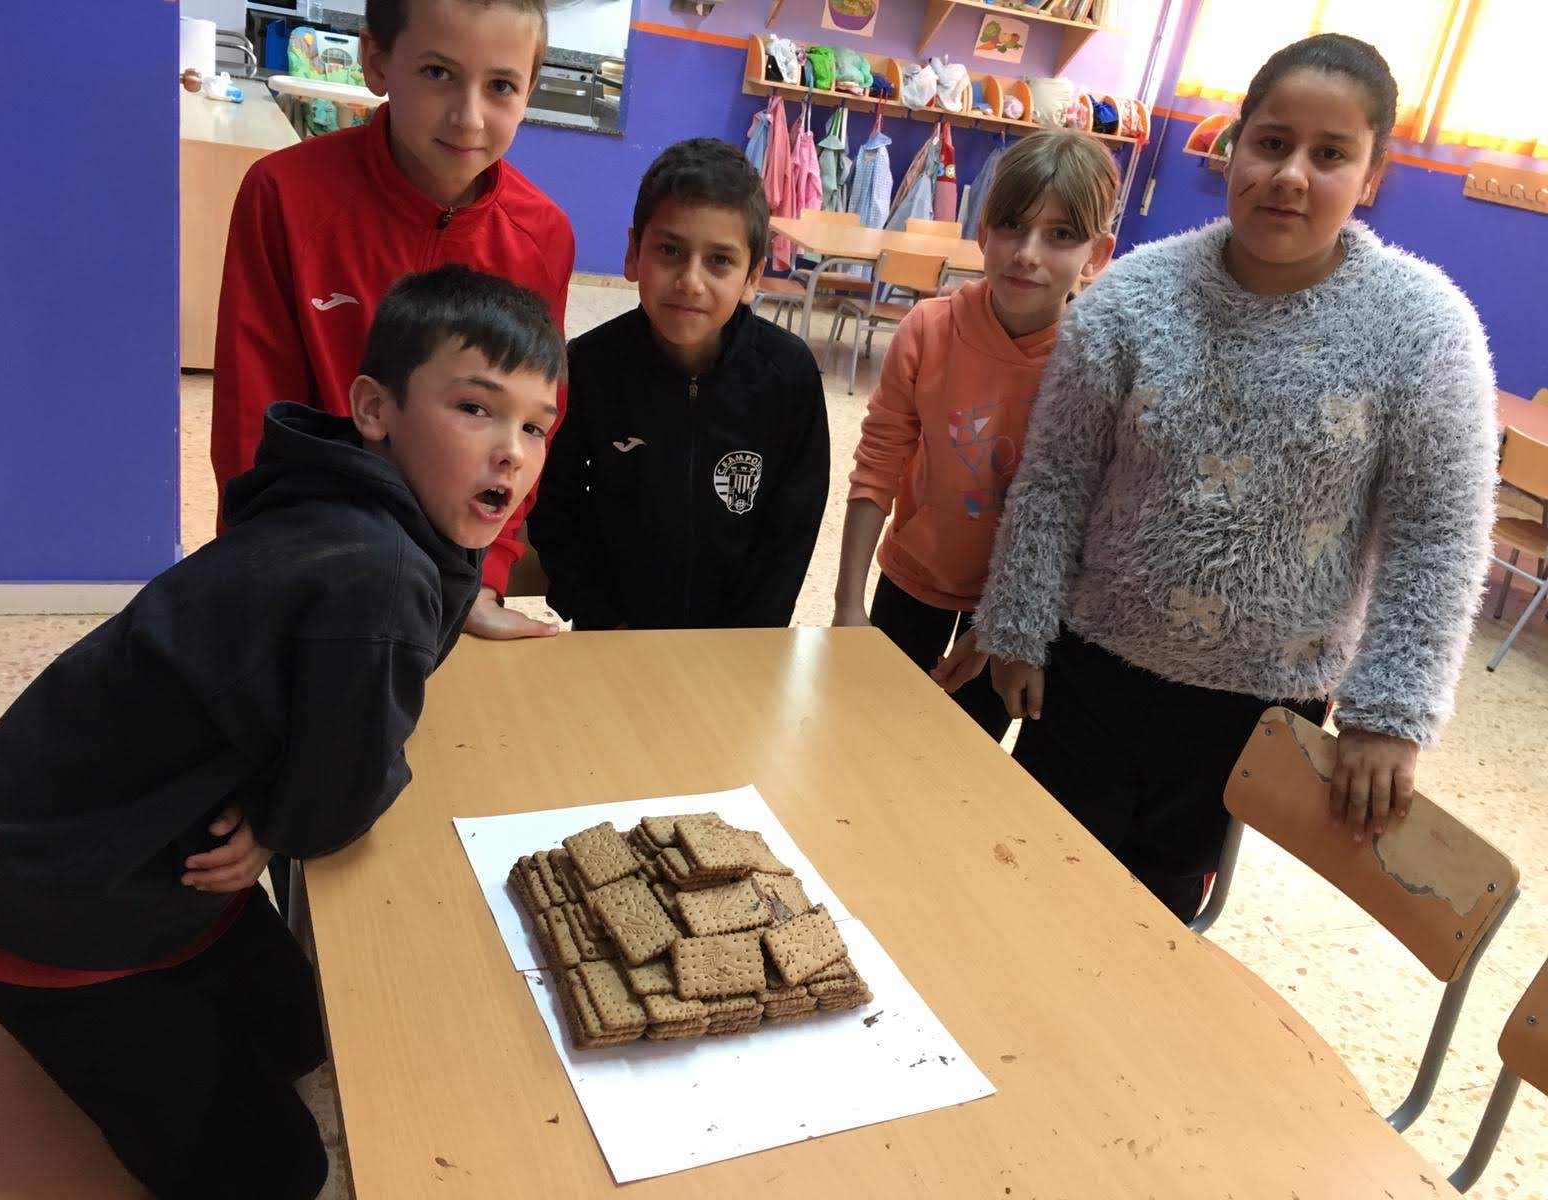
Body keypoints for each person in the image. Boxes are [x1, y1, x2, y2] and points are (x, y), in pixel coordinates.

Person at [0, 267, 565, 1198]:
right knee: (280, 1172)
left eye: (535, 426)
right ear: (374, 408)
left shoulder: (357, 498)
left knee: (300, 1038)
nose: (510, 454)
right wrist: (282, 821)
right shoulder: (378, 575)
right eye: (476, 409)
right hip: (49, 900)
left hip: (89, 823)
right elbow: (330, 814)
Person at [945, 34, 1497, 921]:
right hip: (1092, 670)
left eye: (1330, 154)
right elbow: (1055, 478)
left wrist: (1389, 712)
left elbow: (1439, 536)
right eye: (1272, 143)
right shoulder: (1132, 299)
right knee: (1032, 881)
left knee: (1157, 916)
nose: (1290, 176)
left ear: (1372, 175)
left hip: (1261, 703)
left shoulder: (1427, 331)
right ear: (1233, 146)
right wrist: (1016, 625)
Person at [212, 0, 572, 641]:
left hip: (448, 582)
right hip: (306, 564)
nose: (468, 117)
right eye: (438, 73)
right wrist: (268, 572)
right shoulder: (284, 195)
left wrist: (483, 577)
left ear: (530, 89)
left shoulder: (543, 236)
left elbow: (532, 416)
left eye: (500, 85)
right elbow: (252, 414)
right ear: (376, 61)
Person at [833, 131, 1119, 739]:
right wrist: (847, 604)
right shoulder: (928, 329)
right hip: (914, 578)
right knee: (865, 731)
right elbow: (877, 464)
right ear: (984, 232)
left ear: (1097, 254)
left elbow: (1082, 514)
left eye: (1061, 234)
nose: (1027, 254)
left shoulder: (1095, 361)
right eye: (1013, 226)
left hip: (1014, 605)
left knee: (961, 752)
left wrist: (1001, 629)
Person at [531, 138, 830, 629]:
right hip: (613, 637)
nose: (691, 281)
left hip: (738, 648)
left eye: (719, 260)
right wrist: (601, 618)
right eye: (670, 250)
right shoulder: (588, 367)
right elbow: (554, 505)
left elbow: (792, 530)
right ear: (633, 253)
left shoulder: (789, 375)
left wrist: (750, 637)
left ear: (753, 277)